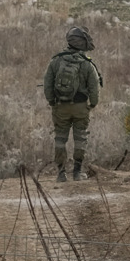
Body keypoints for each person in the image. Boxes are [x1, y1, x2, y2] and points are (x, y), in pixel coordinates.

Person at [43, 26, 102, 182]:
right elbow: (94, 88)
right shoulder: (87, 64)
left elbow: (47, 84)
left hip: (61, 107)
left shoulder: (56, 61)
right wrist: (93, 104)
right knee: (80, 138)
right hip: (81, 107)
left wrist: (52, 102)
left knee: (60, 138)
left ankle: (61, 173)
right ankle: (77, 172)